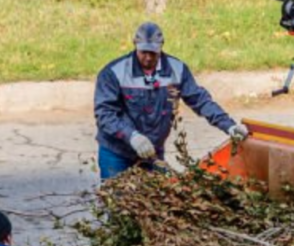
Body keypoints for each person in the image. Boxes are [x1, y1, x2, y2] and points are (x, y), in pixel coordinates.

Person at [94, 21, 249, 179]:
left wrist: (229, 126)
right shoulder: (114, 73)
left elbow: (200, 101)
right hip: (117, 154)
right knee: (117, 200)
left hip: (152, 153)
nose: (148, 58)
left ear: (161, 46)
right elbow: (104, 114)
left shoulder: (177, 70)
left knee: (155, 200)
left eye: (153, 53)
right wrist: (132, 136)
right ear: (135, 45)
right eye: (143, 52)